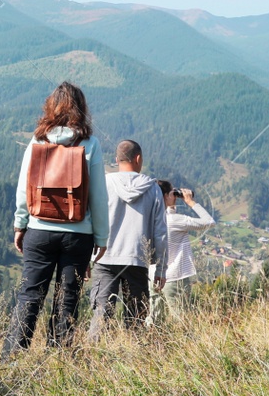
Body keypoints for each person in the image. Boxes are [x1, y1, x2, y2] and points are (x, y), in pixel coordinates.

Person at [1, 82, 108, 357]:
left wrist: (20, 224)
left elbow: (25, 187)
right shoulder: (89, 144)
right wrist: (101, 237)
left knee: (30, 295)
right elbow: (97, 195)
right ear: (81, 109)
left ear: (50, 107)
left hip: (39, 229)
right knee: (67, 298)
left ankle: (12, 357)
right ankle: (58, 359)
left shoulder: (38, 140)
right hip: (78, 234)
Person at [87, 140, 167, 337]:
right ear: (138, 159)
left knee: (100, 315)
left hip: (104, 257)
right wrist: (161, 267)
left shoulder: (103, 184)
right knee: (136, 319)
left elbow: (90, 220)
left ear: (117, 159)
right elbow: (161, 232)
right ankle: (134, 361)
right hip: (137, 259)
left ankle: (91, 360)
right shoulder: (153, 189)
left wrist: (86, 257)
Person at [148, 181, 214, 325]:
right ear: (165, 196)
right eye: (173, 193)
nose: (176, 196)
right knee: (182, 321)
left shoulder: (149, 218)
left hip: (152, 276)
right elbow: (209, 221)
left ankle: (152, 344)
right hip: (175, 277)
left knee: (154, 320)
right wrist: (190, 202)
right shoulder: (176, 220)